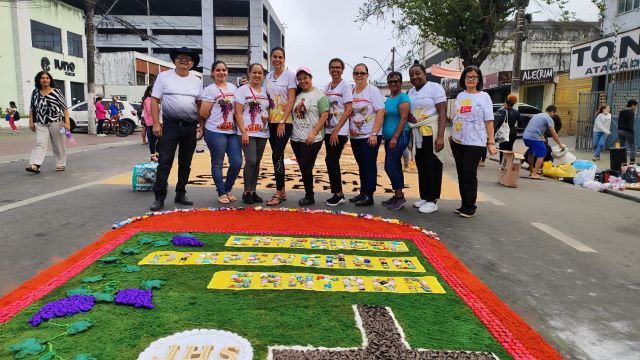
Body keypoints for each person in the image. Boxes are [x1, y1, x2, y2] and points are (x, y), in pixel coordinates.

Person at [149, 47, 202, 211]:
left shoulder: (196, 80)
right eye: (180, 57)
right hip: (170, 126)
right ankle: (159, 197)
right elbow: (155, 100)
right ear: (174, 60)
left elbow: (199, 104)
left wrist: (201, 125)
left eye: (187, 58)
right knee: (164, 162)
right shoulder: (164, 77)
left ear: (192, 63)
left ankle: (180, 193)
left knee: (186, 163)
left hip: (190, 127)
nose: (184, 60)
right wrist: (156, 124)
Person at [450, 66, 497, 218]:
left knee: (469, 173)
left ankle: (471, 206)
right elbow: (457, 117)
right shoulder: (460, 96)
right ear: (463, 79)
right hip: (458, 141)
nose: (471, 79)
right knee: (461, 173)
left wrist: (491, 142)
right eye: (468, 76)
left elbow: (489, 121)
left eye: (474, 77)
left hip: (475, 141)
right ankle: (464, 204)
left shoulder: (484, 97)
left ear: (479, 80)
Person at [199, 60, 241, 204]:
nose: (221, 72)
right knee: (218, 163)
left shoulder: (233, 88)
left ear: (227, 72)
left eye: (224, 70)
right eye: (218, 70)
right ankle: (221, 192)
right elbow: (203, 113)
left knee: (236, 162)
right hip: (215, 131)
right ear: (213, 73)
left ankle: (228, 189)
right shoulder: (209, 90)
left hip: (232, 131)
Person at [407, 63, 447, 214]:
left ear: (425, 74)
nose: (415, 77)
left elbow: (442, 113)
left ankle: (433, 200)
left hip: (431, 130)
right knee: (421, 163)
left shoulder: (435, 88)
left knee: (433, 165)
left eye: (418, 73)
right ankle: (424, 196)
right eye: (412, 75)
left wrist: (441, 137)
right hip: (417, 132)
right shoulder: (411, 91)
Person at [291, 66, 329, 206]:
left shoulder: (320, 94)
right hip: (296, 138)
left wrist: (313, 132)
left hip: (313, 138)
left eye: (305, 78)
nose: (303, 81)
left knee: (306, 166)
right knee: (303, 166)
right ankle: (308, 192)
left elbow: (324, 115)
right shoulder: (297, 94)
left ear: (311, 78)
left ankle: (309, 196)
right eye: (300, 79)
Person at [349, 63, 385, 206]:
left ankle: (369, 195)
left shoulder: (373, 91)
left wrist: (374, 133)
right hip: (355, 135)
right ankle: (363, 192)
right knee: (361, 164)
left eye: (362, 73)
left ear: (367, 75)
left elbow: (381, 111)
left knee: (369, 164)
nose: (359, 76)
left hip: (370, 135)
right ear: (353, 75)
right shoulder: (352, 91)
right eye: (356, 73)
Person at [265, 47, 297, 206]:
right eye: (274, 57)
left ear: (284, 59)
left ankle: (278, 192)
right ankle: (282, 190)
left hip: (284, 122)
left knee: (276, 154)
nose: (277, 60)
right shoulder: (268, 76)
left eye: (280, 57)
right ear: (271, 58)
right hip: (270, 122)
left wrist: (283, 121)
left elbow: (291, 100)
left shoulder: (290, 76)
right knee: (277, 156)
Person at [235, 63, 270, 204]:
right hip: (247, 131)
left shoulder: (265, 91)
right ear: (249, 74)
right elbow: (237, 112)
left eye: (260, 73)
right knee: (251, 161)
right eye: (254, 72)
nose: (257, 75)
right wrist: (243, 132)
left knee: (257, 162)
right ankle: (246, 192)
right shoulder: (243, 90)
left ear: (263, 75)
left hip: (262, 131)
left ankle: (253, 191)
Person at [26, 71, 70, 174]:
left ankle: (60, 164)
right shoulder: (35, 92)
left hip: (57, 122)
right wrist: (31, 122)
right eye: (42, 78)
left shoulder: (57, 92)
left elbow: (65, 109)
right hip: (41, 123)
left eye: (47, 78)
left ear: (50, 80)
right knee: (40, 143)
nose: (45, 80)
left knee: (59, 144)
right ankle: (35, 164)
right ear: (39, 80)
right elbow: (32, 108)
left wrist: (67, 123)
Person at [323, 58, 353, 206]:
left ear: (342, 70)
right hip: (328, 130)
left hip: (339, 131)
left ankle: (338, 194)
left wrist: (336, 130)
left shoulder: (345, 86)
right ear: (329, 70)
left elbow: (348, 109)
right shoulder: (327, 86)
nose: (335, 70)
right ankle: (338, 193)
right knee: (331, 160)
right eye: (332, 68)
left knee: (331, 160)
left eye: (338, 67)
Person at [381, 71, 410, 211]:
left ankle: (399, 197)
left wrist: (394, 137)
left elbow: (404, 118)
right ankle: (397, 194)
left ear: (401, 83)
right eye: (391, 81)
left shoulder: (403, 98)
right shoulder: (389, 98)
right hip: (389, 138)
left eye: (396, 81)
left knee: (390, 166)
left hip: (399, 136)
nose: (393, 84)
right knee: (396, 166)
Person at [523, 105, 566, 179]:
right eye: (554, 114)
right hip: (534, 137)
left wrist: (541, 136)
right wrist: (560, 144)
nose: (553, 115)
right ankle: (534, 174)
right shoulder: (548, 118)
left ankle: (531, 171)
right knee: (543, 152)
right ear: (552, 112)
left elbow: (536, 126)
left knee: (531, 152)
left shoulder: (537, 115)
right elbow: (553, 133)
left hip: (526, 137)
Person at [495, 95, 520, 162]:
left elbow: (500, 121)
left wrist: (496, 129)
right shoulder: (516, 112)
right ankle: (508, 163)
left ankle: (502, 163)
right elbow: (520, 123)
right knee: (509, 148)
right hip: (513, 132)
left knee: (502, 148)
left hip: (505, 132)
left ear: (506, 103)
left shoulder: (504, 111)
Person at [617, 99, 637, 164]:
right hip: (628, 132)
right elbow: (630, 124)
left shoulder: (621, 112)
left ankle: (619, 160)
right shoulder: (631, 113)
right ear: (632, 105)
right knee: (633, 146)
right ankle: (632, 162)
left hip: (620, 131)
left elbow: (619, 122)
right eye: (635, 106)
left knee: (621, 146)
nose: (636, 107)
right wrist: (632, 132)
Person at [141, 86, 158, 161]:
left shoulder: (152, 99)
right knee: (153, 140)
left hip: (154, 122)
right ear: (150, 92)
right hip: (151, 122)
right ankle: (153, 156)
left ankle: (155, 155)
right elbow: (150, 111)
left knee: (157, 140)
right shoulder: (148, 100)